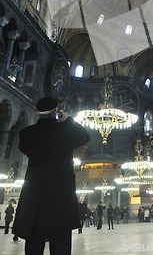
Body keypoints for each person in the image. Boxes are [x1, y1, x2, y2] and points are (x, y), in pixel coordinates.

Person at [12, 96, 90, 255]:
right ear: (56, 112)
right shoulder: (65, 132)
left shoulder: (27, 134)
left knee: (33, 247)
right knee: (60, 248)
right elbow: (84, 136)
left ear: (37, 113)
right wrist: (68, 120)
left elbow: (23, 148)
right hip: (60, 200)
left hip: (35, 199)